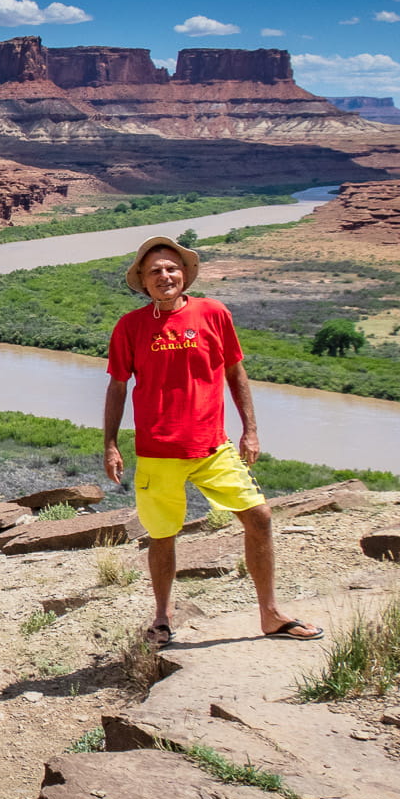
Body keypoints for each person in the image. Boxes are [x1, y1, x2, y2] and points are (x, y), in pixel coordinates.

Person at [102, 235, 323, 646]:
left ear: (184, 274)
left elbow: (235, 372)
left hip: (212, 447)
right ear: (143, 283)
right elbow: (117, 386)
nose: (165, 276)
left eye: (172, 268)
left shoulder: (214, 313)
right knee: (163, 535)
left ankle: (271, 614)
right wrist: (110, 445)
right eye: (155, 272)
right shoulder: (130, 327)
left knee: (259, 517)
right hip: (157, 451)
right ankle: (163, 617)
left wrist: (250, 430)